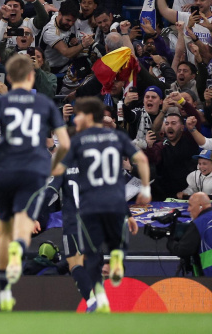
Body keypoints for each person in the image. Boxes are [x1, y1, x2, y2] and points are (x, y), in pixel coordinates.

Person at [0, 54, 70, 311]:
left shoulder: (1, 102)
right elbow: (64, 141)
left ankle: (6, 288)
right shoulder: (44, 103)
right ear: (31, 77)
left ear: (8, 78)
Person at [55, 97, 151, 312]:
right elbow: (139, 162)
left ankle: (94, 298)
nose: (76, 119)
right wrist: (144, 191)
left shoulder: (78, 144)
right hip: (113, 204)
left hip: (88, 210)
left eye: (79, 115)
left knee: (84, 259)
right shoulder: (116, 137)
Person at [166, 193, 212, 276]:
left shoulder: (199, 223)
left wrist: (170, 239)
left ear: (200, 206)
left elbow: (182, 250)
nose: (188, 210)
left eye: (190, 205)